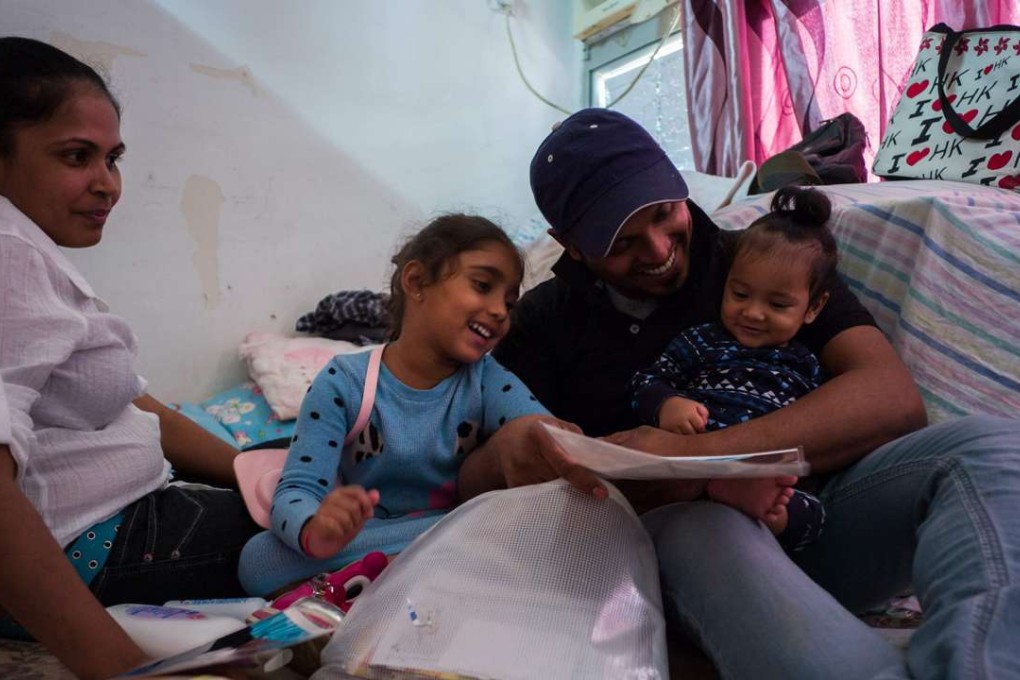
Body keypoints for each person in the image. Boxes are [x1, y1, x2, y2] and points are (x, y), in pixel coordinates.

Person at [458, 108, 1020, 679]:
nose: (657, 249)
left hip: (818, 520)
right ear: (570, 245)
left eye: (663, 213)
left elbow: (890, 398)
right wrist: (507, 454)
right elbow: (461, 480)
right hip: (681, 543)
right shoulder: (541, 322)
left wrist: (694, 455)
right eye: (622, 242)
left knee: (992, 449)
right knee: (701, 525)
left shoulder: (764, 261)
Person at [0, 37, 260, 679]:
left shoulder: (28, 251)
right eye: (76, 156)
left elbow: (128, 401)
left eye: (112, 158)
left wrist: (250, 470)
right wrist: (117, 666)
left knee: (302, 485)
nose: (107, 185)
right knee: (342, 524)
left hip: (121, 520)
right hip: (96, 546)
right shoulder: (11, 253)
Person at [237, 214, 571, 597]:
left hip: (452, 528)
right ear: (416, 282)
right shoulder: (344, 382)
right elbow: (297, 488)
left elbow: (541, 435)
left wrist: (571, 443)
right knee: (259, 559)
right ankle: (398, 575)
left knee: (511, 530)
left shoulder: (488, 381)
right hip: (371, 538)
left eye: (509, 303)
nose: (499, 311)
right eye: (482, 286)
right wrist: (318, 527)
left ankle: (367, 583)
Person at [629, 185, 837, 551]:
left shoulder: (809, 366)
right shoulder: (701, 340)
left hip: (767, 479)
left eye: (777, 304)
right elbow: (646, 380)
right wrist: (666, 404)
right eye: (740, 294)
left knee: (814, 511)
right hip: (693, 479)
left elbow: (822, 429)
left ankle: (770, 513)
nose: (753, 313)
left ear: (814, 308)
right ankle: (730, 490)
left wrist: (779, 499)